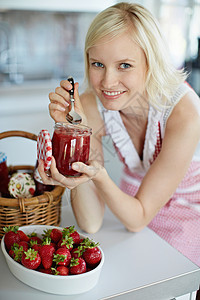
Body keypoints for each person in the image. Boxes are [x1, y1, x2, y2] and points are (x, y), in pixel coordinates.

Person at [38, 2, 200, 268]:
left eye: (124, 65)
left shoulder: (185, 113)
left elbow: (138, 219)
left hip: (188, 209)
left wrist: (98, 175)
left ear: (151, 62)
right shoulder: (91, 103)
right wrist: (74, 137)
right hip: (130, 198)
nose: (107, 82)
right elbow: (91, 222)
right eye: (98, 64)